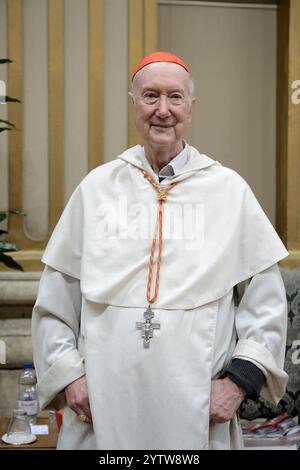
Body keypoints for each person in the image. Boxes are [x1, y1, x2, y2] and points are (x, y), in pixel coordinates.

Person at [32, 51, 288, 450]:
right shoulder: (97, 189)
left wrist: (238, 385)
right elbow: (54, 302)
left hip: (198, 413)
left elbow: (266, 306)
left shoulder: (229, 191)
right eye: (151, 96)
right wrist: (70, 378)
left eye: (175, 97)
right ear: (134, 104)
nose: (163, 110)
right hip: (102, 409)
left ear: (192, 107)